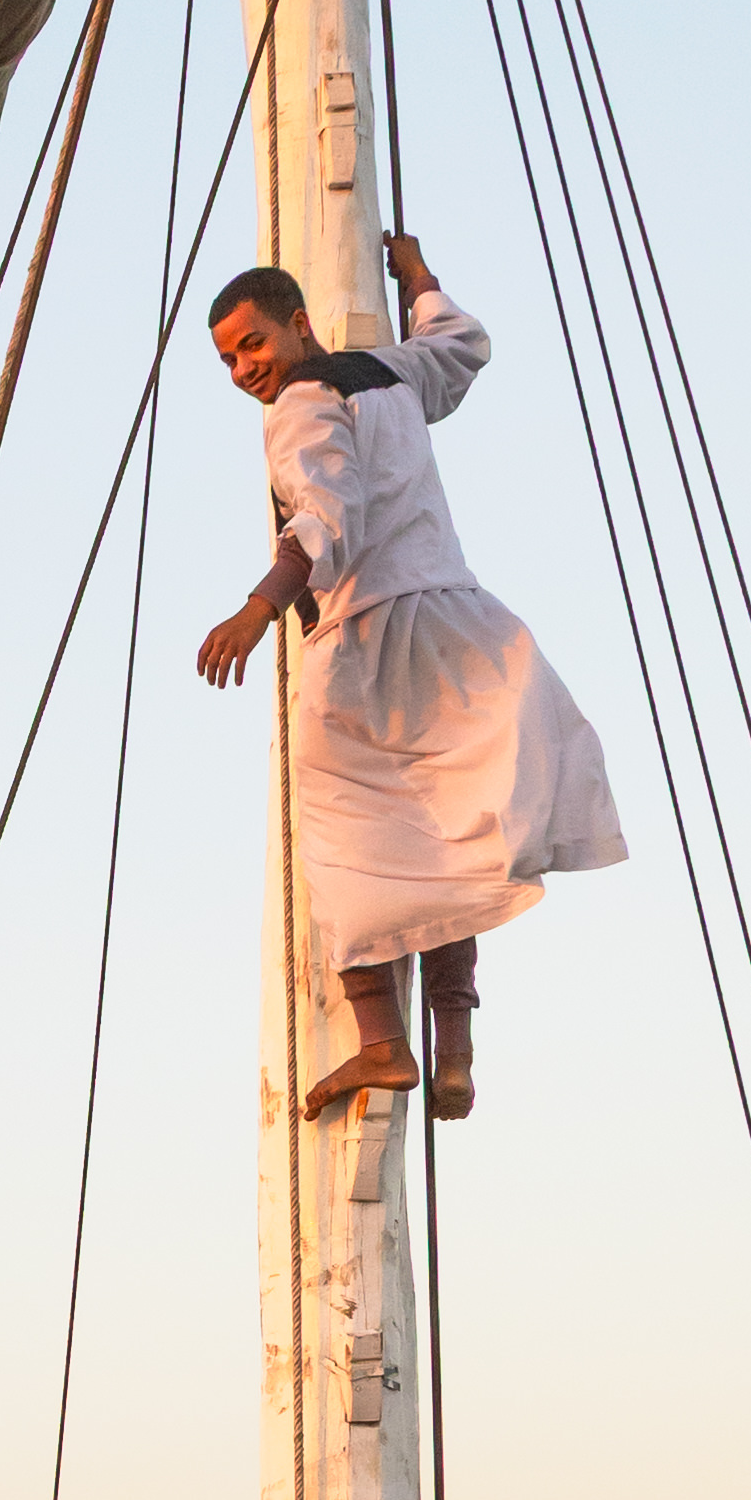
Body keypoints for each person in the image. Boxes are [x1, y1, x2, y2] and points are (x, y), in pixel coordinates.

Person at [196, 232, 622, 1119]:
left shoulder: (301, 407)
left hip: (368, 640)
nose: (245, 370)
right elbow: (459, 347)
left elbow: (324, 514)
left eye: (254, 345)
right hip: (460, 626)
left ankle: (384, 1044)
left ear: (298, 326)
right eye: (230, 359)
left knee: (346, 839)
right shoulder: (388, 374)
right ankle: (455, 1049)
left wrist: (258, 607)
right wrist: (418, 276)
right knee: (451, 838)